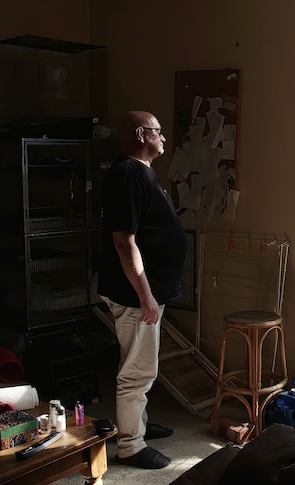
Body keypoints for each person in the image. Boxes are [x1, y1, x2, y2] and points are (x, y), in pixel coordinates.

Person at [97, 110, 187, 469]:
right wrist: (145, 295)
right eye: (158, 132)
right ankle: (131, 445)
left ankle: (139, 427)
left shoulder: (139, 172)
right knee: (137, 372)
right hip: (136, 296)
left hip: (144, 295)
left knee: (134, 362)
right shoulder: (126, 175)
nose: (163, 138)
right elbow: (124, 242)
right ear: (140, 134)